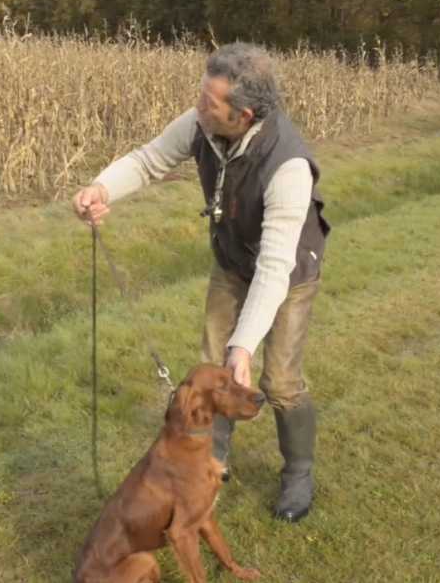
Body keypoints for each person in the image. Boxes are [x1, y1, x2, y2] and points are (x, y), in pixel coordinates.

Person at [72, 42, 329, 523]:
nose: (197, 107)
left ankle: (298, 472)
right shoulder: (202, 123)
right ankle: (213, 459)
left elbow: (274, 267)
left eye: (208, 102)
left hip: (288, 273)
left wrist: (244, 347)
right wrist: (101, 187)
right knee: (213, 366)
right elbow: (148, 160)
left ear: (243, 115)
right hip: (231, 261)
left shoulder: (288, 167)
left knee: (279, 382)